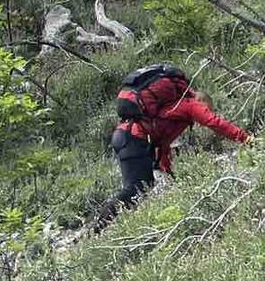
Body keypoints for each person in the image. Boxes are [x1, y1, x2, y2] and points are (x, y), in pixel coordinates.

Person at [94, 67, 249, 229]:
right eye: (207, 109)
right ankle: (99, 226)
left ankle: (100, 221)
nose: (205, 113)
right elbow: (215, 123)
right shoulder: (190, 104)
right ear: (202, 101)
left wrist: (170, 173)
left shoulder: (172, 110)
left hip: (125, 136)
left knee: (140, 187)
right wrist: (246, 139)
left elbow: (163, 144)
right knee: (136, 188)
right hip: (133, 138)